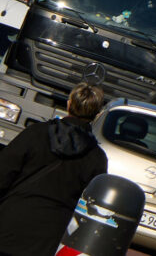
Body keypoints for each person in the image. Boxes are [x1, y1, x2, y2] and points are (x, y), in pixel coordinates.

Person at [0, 83, 107, 256]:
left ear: (69, 104)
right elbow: (91, 208)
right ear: (98, 114)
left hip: (10, 222)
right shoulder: (96, 158)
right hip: (50, 236)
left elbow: (3, 172)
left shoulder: (35, 133)